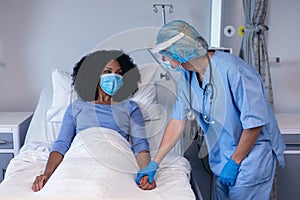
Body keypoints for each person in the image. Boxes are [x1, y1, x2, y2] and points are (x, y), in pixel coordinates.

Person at [135, 20, 285, 199]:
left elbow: (254, 124)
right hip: (223, 158)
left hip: (251, 159)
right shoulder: (187, 77)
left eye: (165, 54)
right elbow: (177, 122)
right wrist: (154, 163)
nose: (164, 59)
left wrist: (235, 162)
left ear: (179, 50)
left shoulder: (234, 71)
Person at [32, 50, 156, 192]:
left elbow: (140, 144)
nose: (114, 77)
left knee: (105, 187)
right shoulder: (76, 107)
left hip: (115, 157)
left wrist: (146, 173)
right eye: (108, 71)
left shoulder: (130, 107)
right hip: (80, 155)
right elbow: (62, 144)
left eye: (119, 73)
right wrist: (47, 174)